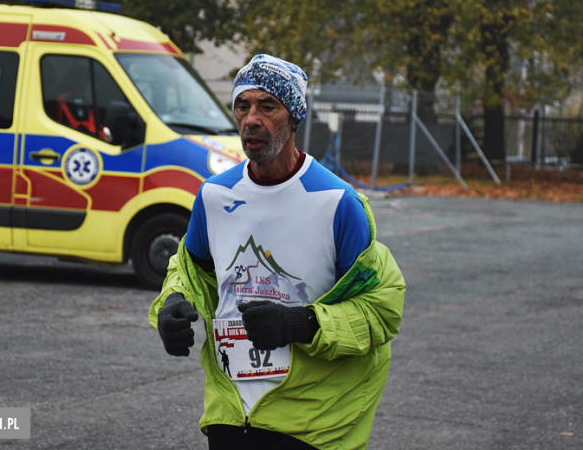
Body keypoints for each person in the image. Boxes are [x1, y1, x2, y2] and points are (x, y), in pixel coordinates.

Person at [149, 54, 406, 450]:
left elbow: (381, 308)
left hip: (313, 421)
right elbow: (190, 270)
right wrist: (173, 304)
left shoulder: (338, 202)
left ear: (294, 118)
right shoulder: (214, 195)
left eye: (267, 106)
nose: (251, 119)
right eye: (242, 105)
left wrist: (300, 324)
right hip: (231, 413)